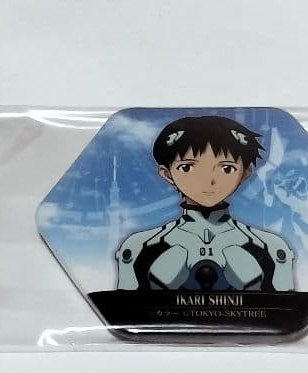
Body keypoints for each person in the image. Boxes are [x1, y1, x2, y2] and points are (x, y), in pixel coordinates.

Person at [116, 115, 295, 293]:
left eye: (227, 168)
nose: (208, 181)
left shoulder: (270, 247)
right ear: (167, 174)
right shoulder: (140, 247)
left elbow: (287, 306)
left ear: (244, 174)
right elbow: (122, 306)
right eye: (187, 167)